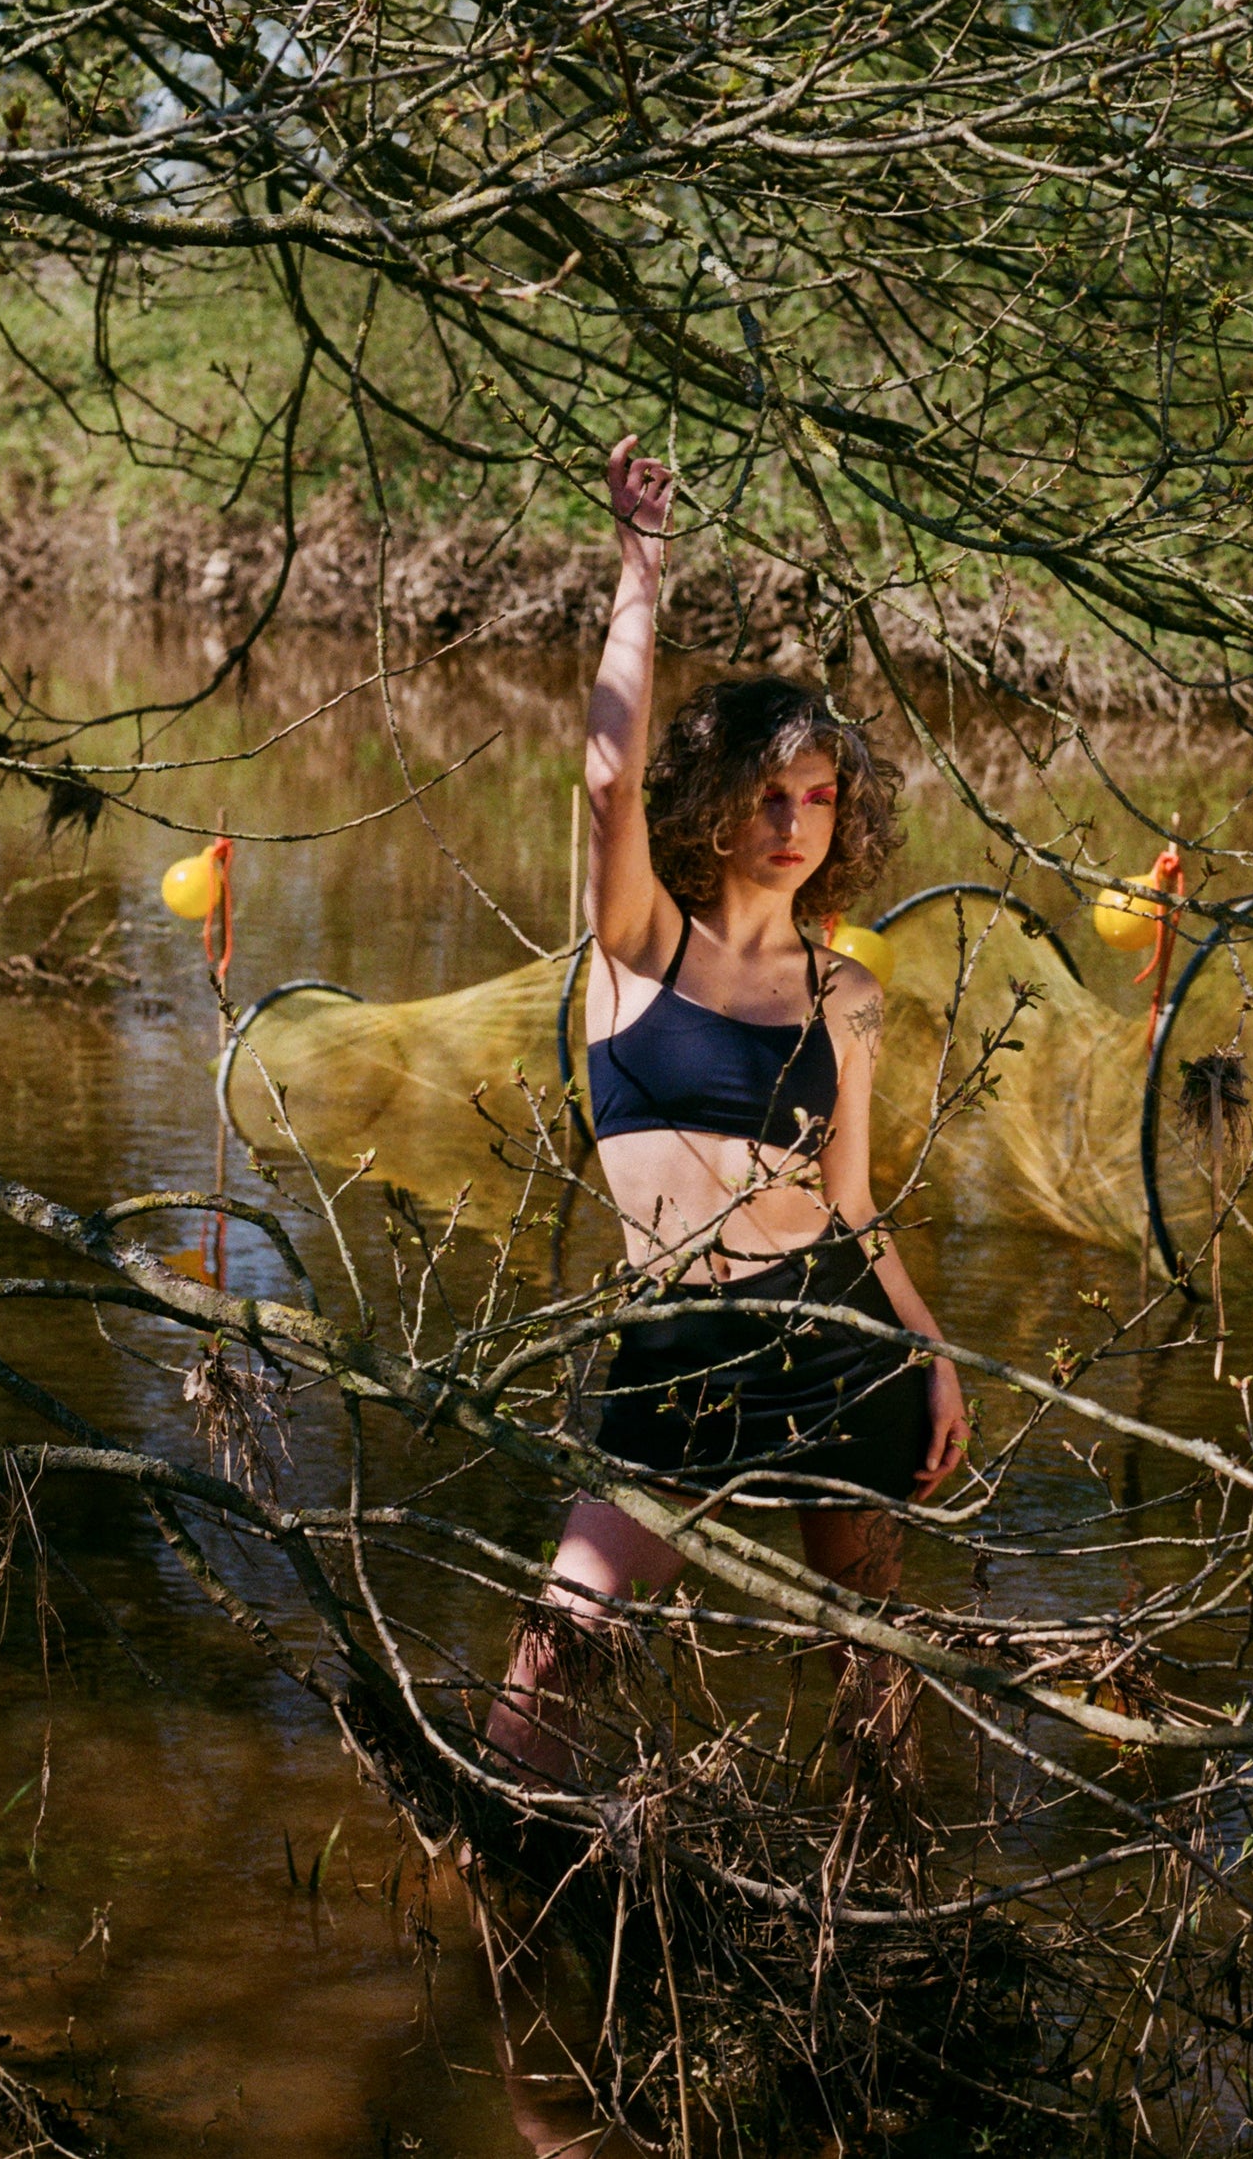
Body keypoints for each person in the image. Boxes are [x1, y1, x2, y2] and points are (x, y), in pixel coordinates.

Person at [485, 436, 970, 1787]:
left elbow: (855, 1201)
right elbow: (599, 777)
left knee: (873, 1661)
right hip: (679, 1349)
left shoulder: (850, 991)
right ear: (712, 799)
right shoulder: (641, 944)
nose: (796, 820)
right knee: (554, 1651)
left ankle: (888, 1904)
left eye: (820, 797)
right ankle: (500, 1866)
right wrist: (641, 565)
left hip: (834, 1341)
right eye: (770, 792)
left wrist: (933, 1351)